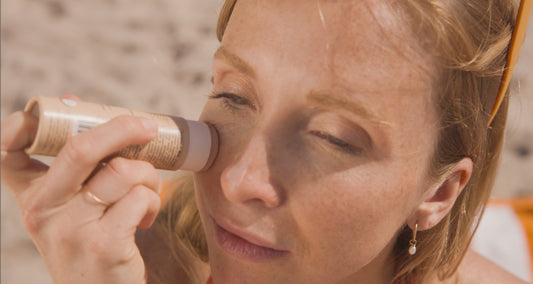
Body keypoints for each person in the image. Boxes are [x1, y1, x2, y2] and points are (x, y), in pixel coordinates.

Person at [1, 0, 530, 283]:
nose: (238, 181)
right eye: (232, 96)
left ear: (438, 193)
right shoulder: (137, 256)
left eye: (334, 137)